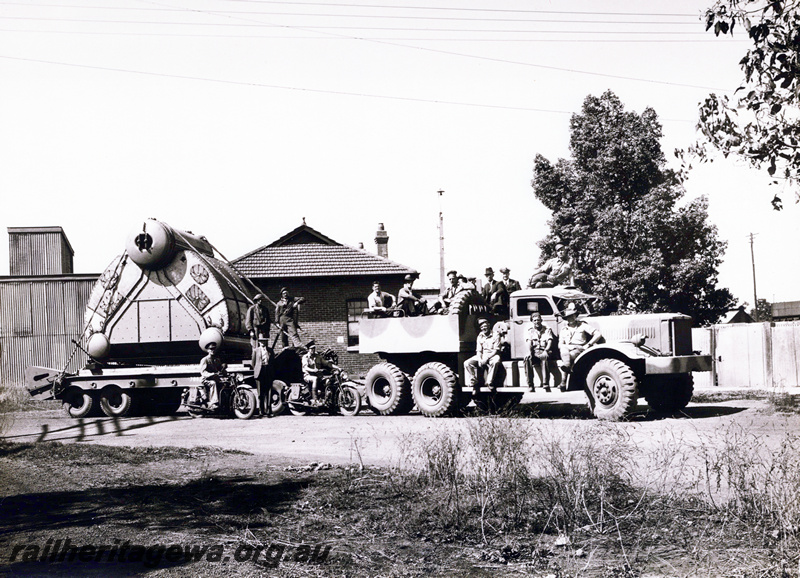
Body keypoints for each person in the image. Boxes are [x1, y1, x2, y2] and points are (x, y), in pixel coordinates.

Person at [558, 302, 602, 376]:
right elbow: (560, 344)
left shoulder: (582, 325)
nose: (571, 318)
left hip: (579, 348)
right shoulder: (563, 330)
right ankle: (566, 367)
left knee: (569, 356)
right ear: (566, 318)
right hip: (567, 349)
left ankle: (564, 378)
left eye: (572, 316)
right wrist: (568, 347)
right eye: (569, 317)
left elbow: (598, 334)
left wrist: (589, 344)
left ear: (576, 316)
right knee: (564, 350)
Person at [464, 318, 504, 397]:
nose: (484, 328)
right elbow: (479, 350)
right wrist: (479, 359)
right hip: (483, 355)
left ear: (489, 326)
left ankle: (489, 382)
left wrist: (486, 358)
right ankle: (474, 383)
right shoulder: (480, 336)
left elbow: (496, 350)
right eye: (482, 327)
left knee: (496, 361)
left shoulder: (496, 335)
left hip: (492, 355)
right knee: (467, 363)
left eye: (485, 326)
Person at [524, 312, 560, 392]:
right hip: (535, 352)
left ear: (541, 320)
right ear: (532, 321)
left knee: (545, 357)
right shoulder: (530, 331)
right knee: (527, 359)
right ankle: (530, 385)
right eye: (535, 320)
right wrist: (529, 352)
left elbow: (549, 342)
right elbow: (529, 343)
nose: (537, 322)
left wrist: (545, 351)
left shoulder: (547, 330)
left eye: (538, 320)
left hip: (545, 350)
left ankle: (546, 384)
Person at [199, 341, 226, 410]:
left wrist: (226, 373)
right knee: (213, 383)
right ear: (208, 350)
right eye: (211, 349)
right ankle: (213, 403)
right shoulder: (205, 360)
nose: (212, 351)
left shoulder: (217, 360)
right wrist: (212, 374)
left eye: (213, 349)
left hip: (215, 378)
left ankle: (223, 403)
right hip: (206, 379)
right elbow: (203, 372)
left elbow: (220, 369)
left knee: (225, 384)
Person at [251, 336, 273, 417]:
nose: (263, 343)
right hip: (260, 372)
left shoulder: (270, 350)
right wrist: (257, 370)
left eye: (264, 341)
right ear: (259, 342)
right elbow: (253, 363)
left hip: (268, 371)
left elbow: (272, 362)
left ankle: (268, 410)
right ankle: (261, 410)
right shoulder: (256, 350)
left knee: (268, 392)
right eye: (261, 341)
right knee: (260, 393)